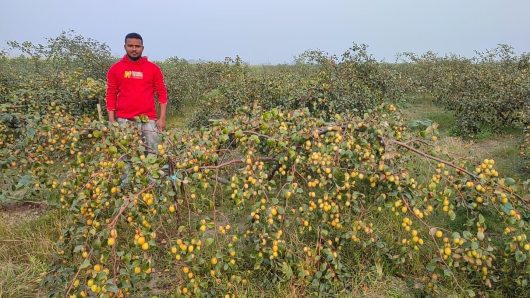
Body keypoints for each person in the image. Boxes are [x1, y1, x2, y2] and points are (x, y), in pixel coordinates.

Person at [106, 32, 168, 153]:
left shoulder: (153, 69)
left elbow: (162, 93)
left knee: (154, 154)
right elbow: (111, 94)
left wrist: (162, 118)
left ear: (142, 48)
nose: (134, 49)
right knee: (127, 155)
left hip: (148, 120)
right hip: (124, 120)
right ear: (125, 47)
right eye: (130, 46)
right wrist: (112, 121)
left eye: (137, 46)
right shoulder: (115, 69)